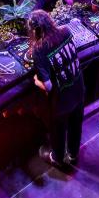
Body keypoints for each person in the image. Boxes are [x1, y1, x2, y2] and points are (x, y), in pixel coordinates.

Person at [28, 10, 85, 169]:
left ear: (34, 30)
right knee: (76, 124)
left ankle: (57, 158)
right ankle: (73, 155)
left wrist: (35, 81)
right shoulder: (65, 30)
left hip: (62, 99)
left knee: (58, 130)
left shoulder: (39, 49)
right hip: (79, 87)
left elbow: (48, 86)